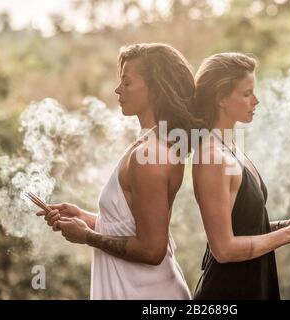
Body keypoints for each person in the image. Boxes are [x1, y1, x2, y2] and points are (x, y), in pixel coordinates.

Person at [36, 43, 199, 300]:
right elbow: (129, 227)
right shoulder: (146, 146)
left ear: (155, 89)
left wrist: (87, 236)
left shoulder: (151, 156)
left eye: (127, 82)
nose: (118, 89)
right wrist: (84, 217)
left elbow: (152, 250)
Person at [189, 52, 290, 299]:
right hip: (228, 292)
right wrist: (288, 235)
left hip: (254, 284)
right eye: (246, 93)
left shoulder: (230, 146)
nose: (256, 100)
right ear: (221, 98)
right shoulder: (212, 157)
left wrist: (286, 225)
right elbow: (224, 249)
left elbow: (242, 226)